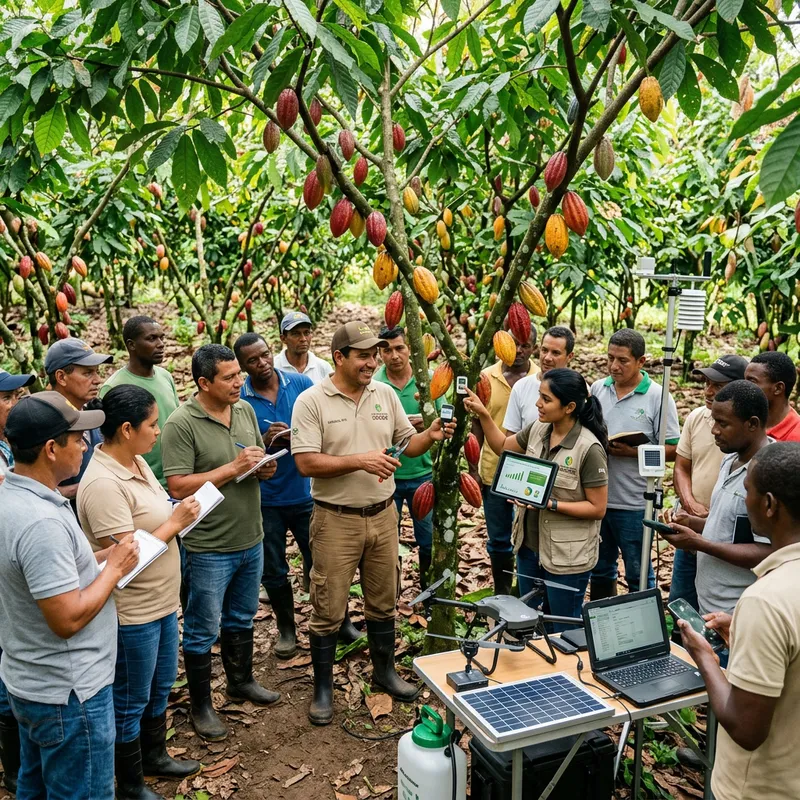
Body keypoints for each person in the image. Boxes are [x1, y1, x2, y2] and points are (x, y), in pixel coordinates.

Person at [291, 321, 456, 726]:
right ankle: (323, 690)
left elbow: (406, 443)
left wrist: (431, 434)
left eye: (375, 354)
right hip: (335, 520)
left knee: (384, 602)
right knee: (328, 607)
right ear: (339, 358)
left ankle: (384, 673)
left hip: (383, 518)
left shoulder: (383, 394)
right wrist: (360, 460)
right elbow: (305, 461)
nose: (373, 361)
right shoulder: (312, 401)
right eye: (363, 355)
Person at [0, 392, 139, 799]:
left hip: (30, 681)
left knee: (36, 786)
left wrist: (100, 557)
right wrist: (113, 570)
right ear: (50, 449)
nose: (85, 445)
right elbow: (66, 619)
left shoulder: (14, 497)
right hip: (69, 694)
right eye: (76, 438)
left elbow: (43, 573)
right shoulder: (41, 522)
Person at [78, 386, 202, 800]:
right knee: (131, 697)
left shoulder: (136, 463)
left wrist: (178, 514)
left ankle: (155, 756)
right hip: (132, 612)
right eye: (152, 424)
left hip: (163, 602)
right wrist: (175, 520)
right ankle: (130, 785)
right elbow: (125, 556)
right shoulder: (101, 484)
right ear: (127, 429)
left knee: (160, 683)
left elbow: (156, 515)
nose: (159, 430)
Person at [160, 345, 280, 742]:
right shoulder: (181, 423)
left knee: (241, 617)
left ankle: (240, 681)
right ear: (203, 383)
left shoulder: (244, 410)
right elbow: (177, 485)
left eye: (238, 375)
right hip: (208, 545)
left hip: (250, 535)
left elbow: (248, 461)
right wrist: (233, 468)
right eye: (229, 378)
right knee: (200, 630)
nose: (239, 382)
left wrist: (262, 468)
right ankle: (201, 706)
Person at [677, 442, 800, 800]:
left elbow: (746, 728)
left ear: (769, 504)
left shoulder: (767, 599)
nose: (742, 499)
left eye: (747, 491)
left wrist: (705, 657)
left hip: (758, 787)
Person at [465, 369, 608, 629]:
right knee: (528, 622)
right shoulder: (539, 428)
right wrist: (484, 414)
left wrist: (551, 504)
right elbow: (502, 447)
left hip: (567, 556)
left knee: (562, 626)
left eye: (546, 399)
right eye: (539, 396)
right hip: (530, 547)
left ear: (569, 407)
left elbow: (597, 508)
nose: (537, 404)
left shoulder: (589, 448)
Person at [234, 332, 315, 659]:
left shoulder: (302, 384)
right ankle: (286, 628)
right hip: (266, 499)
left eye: (265, 355)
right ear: (242, 366)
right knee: (274, 568)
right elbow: (236, 448)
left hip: (305, 491)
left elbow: (322, 429)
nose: (262, 363)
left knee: (320, 561)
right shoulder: (239, 399)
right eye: (252, 360)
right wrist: (265, 441)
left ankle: (334, 621)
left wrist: (295, 435)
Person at [667, 380, 772, 618]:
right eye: (714, 421)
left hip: (737, 615)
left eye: (722, 424)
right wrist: (693, 524)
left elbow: (767, 552)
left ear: (752, 424)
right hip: (710, 607)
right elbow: (731, 528)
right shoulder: (730, 459)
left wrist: (699, 543)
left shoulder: (768, 476)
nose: (714, 429)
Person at [589, 329, 680, 597]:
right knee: (600, 568)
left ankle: (642, 630)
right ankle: (603, 625)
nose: (614, 366)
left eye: (623, 360)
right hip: (599, 499)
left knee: (638, 572)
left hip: (636, 502)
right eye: (610, 358)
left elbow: (674, 449)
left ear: (641, 362)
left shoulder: (658, 397)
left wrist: (632, 453)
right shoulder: (598, 388)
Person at [670, 355, 748, 611]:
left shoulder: (748, 438)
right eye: (706, 383)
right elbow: (682, 466)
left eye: (718, 385)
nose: (709, 390)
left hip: (725, 535)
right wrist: (690, 505)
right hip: (694, 525)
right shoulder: (696, 418)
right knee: (681, 603)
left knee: (715, 611)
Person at [374, 325, 443, 591]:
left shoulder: (430, 380)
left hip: (422, 475)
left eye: (399, 348)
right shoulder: (374, 383)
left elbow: (444, 418)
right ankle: (390, 595)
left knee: (427, 542)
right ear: (379, 353)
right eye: (386, 349)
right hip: (386, 475)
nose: (394, 355)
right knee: (386, 544)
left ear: (410, 348)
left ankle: (428, 595)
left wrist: (425, 421)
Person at [471, 325, 538, 594]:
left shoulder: (542, 379)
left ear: (534, 347)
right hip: (492, 470)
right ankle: (502, 593)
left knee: (529, 540)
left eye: (525, 345)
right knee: (498, 539)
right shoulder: (485, 377)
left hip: (531, 474)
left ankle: (526, 593)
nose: (519, 351)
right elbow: (476, 423)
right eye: (514, 344)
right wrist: (473, 468)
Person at [0, 367, 35, 795]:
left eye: (17, 396)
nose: (14, 404)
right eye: (7, 398)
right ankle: (14, 766)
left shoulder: (9, 447)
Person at [100, 316, 180, 488]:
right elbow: (111, 443)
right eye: (151, 338)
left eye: (161, 337)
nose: (160, 344)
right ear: (131, 345)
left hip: (176, 475)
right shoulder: (114, 386)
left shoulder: (165, 377)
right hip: (141, 482)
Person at [45, 338, 113, 503]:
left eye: (97, 372)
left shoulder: (91, 411)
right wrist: (83, 488)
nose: (97, 380)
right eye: (88, 373)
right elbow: (32, 489)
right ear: (61, 377)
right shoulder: (43, 423)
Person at [504, 326, 576, 436]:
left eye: (555, 353)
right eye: (544, 350)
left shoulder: (580, 390)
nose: (547, 357)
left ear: (569, 356)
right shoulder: (521, 386)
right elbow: (511, 437)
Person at [744, 351, 800, 442]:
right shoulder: (744, 422)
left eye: (752, 382)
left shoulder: (796, 439)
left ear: (778, 388)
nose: (743, 386)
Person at [273, 311, 333, 383]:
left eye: (306, 333)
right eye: (296, 334)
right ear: (283, 338)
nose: (303, 339)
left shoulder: (323, 367)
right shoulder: (274, 367)